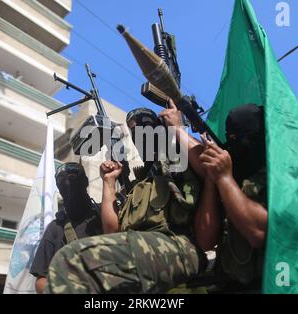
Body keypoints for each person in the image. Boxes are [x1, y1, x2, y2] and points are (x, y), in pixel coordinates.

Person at [45, 108, 215, 294]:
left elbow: (212, 169)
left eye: (145, 128)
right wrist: (109, 182)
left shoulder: (178, 165)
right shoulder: (137, 185)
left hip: (179, 246)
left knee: (72, 261)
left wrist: (177, 129)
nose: (141, 137)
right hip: (142, 254)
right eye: (135, 132)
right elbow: (111, 231)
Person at [162, 101, 267, 291]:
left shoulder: (277, 181)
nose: (230, 145)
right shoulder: (234, 182)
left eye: (235, 137)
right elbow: (205, 241)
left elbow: (258, 232)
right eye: (229, 137)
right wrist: (213, 179)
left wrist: (224, 178)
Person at [30, 162, 102, 293]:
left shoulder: (103, 213)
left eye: (73, 177)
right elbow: (41, 280)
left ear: (85, 182)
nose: (67, 183)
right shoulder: (56, 228)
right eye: (61, 180)